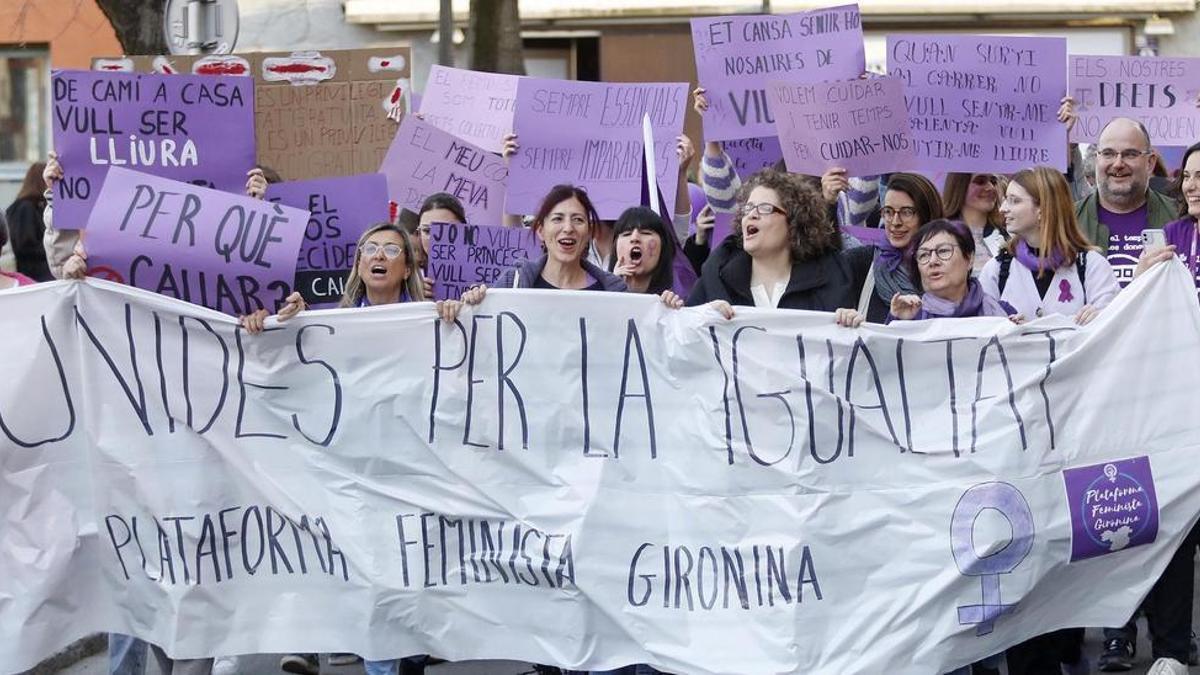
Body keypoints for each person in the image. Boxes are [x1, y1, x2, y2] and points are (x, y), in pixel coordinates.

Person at [260, 223, 430, 675]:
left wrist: (458, 312)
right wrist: (276, 322)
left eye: (391, 248)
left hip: (414, 474)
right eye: (369, 248)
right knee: (373, 581)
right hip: (353, 476)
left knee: (412, 589)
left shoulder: (432, 319)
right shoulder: (327, 324)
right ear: (358, 264)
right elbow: (280, 363)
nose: (379, 254)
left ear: (407, 265)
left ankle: (408, 656)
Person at [682, 169, 872, 314]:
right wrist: (697, 314)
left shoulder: (830, 277)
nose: (751, 216)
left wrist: (849, 325)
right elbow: (684, 339)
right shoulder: (716, 275)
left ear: (794, 222)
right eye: (747, 209)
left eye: (764, 208)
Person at [980, 166, 1119, 325]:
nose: (1002, 208)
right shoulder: (997, 269)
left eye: (1014, 200)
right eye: (1005, 199)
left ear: (1043, 208)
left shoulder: (1091, 266)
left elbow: (1113, 329)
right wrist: (1004, 328)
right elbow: (982, 334)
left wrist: (1099, 317)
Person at [1074, 117, 1176, 289]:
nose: (1118, 163)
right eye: (1108, 153)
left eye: (1130, 154)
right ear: (1097, 158)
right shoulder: (1068, 221)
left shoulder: (1179, 216)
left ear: (1150, 163)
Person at [499, 185, 626, 292]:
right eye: (558, 219)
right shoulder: (513, 283)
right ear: (540, 230)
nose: (568, 228)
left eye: (578, 220)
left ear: (589, 232)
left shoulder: (614, 291)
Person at [856, 173, 944, 322]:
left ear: (927, 215)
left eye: (906, 212)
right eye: (888, 212)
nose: (895, 222)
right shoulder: (863, 262)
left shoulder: (948, 268)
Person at [885, 220, 1013, 320]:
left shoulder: (1003, 314)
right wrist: (896, 320)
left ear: (969, 259)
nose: (933, 261)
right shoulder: (909, 317)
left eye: (943, 251)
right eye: (924, 255)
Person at [941, 172, 1007, 272]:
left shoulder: (1009, 235)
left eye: (993, 182)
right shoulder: (938, 235)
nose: (990, 187)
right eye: (980, 181)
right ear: (959, 187)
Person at [609, 207, 676, 295]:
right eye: (627, 234)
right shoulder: (598, 293)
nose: (634, 238)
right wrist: (611, 288)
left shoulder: (676, 298)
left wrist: (669, 306)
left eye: (645, 233)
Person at [415, 192, 468, 298]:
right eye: (427, 230)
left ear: (465, 231)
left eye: (445, 230)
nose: (435, 238)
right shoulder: (404, 276)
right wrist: (411, 294)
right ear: (419, 233)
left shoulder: (484, 277)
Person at [5, 162, 51, 281]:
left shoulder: (35, 206)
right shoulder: (26, 208)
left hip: (37, 272)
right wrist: (51, 248)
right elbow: (26, 245)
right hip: (35, 273)